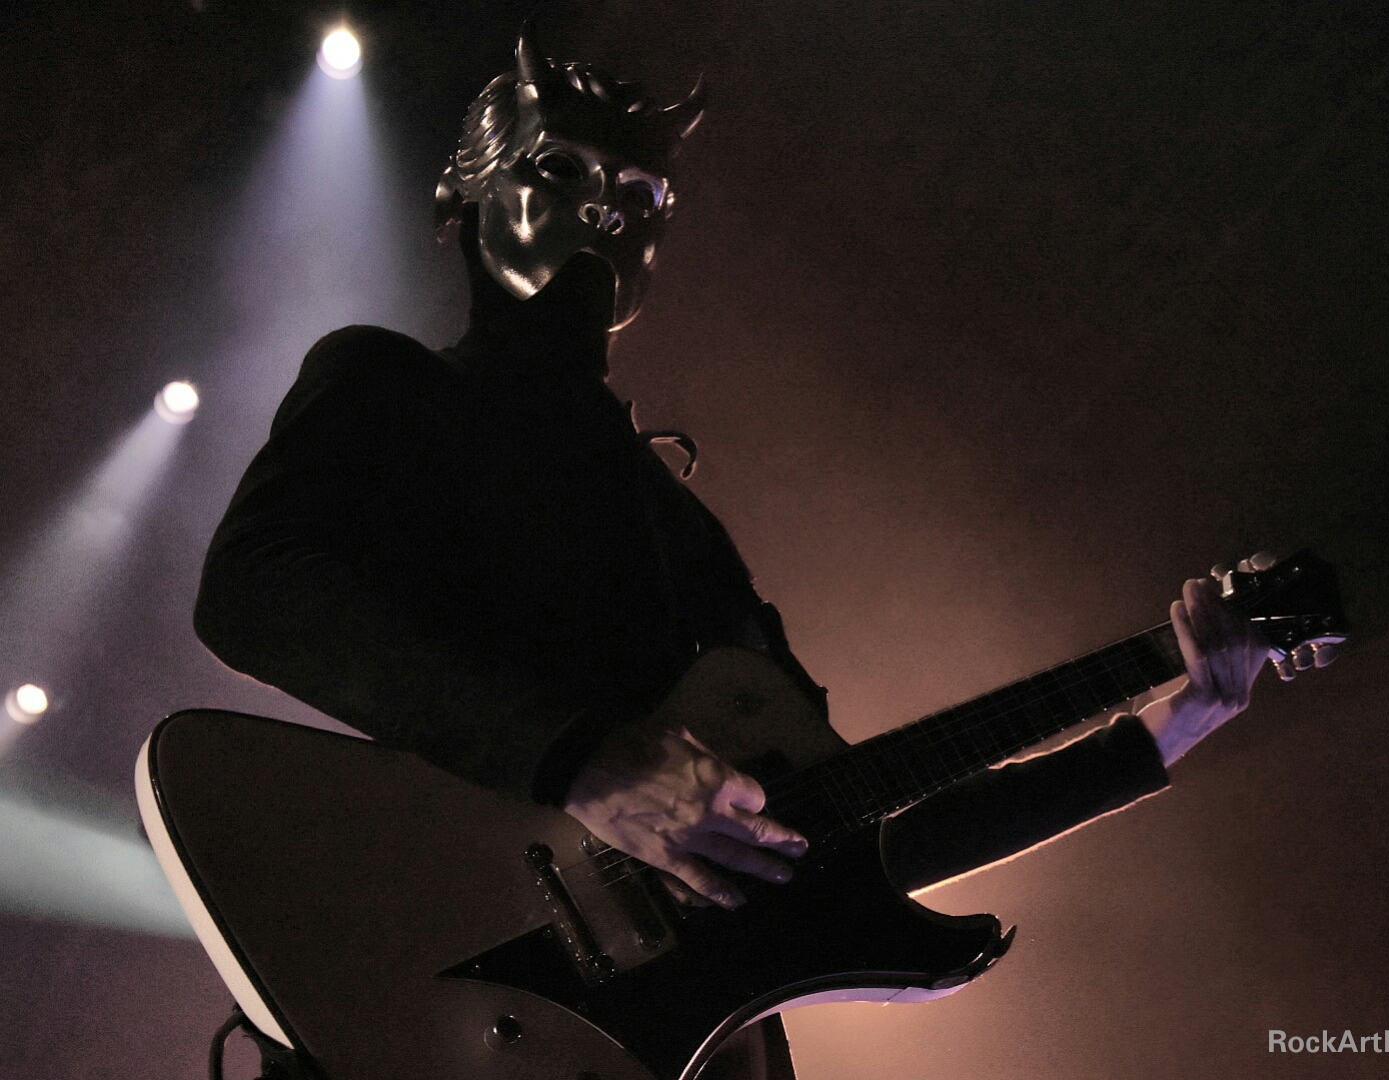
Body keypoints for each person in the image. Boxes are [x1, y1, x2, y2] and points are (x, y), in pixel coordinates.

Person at [194, 24, 1328, 1079]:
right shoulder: (391, 383)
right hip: (451, 985)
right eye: (559, 172)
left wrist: (1177, 720)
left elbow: (851, 842)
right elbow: (252, 590)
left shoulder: (678, 526)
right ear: (463, 194)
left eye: (641, 194)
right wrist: (578, 762)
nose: (604, 213)